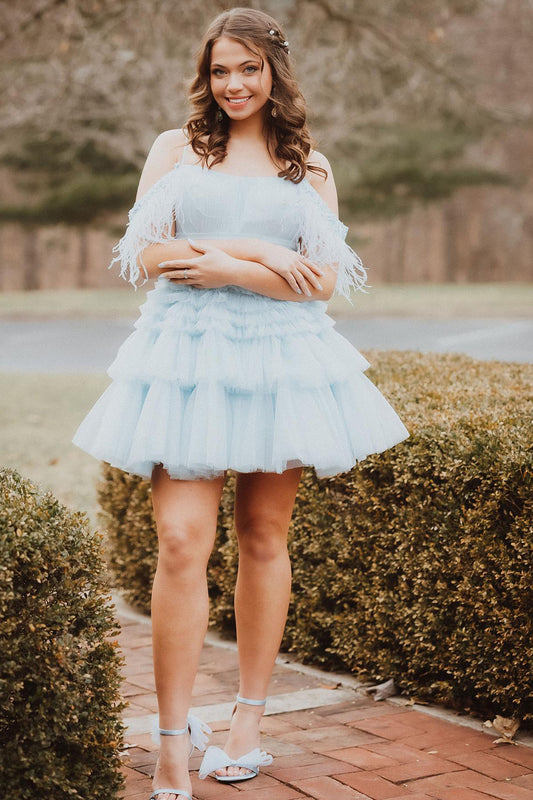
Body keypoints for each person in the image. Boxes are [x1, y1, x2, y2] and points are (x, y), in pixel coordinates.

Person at [72, 7, 410, 800]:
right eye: (220, 70)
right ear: (206, 74)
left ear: (273, 73)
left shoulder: (309, 166)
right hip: (186, 359)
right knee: (182, 542)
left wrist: (233, 268)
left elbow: (323, 281)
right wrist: (255, 253)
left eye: (247, 69)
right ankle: (169, 742)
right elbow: (147, 254)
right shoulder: (177, 149)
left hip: (280, 363)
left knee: (263, 535)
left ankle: (248, 725)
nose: (232, 84)